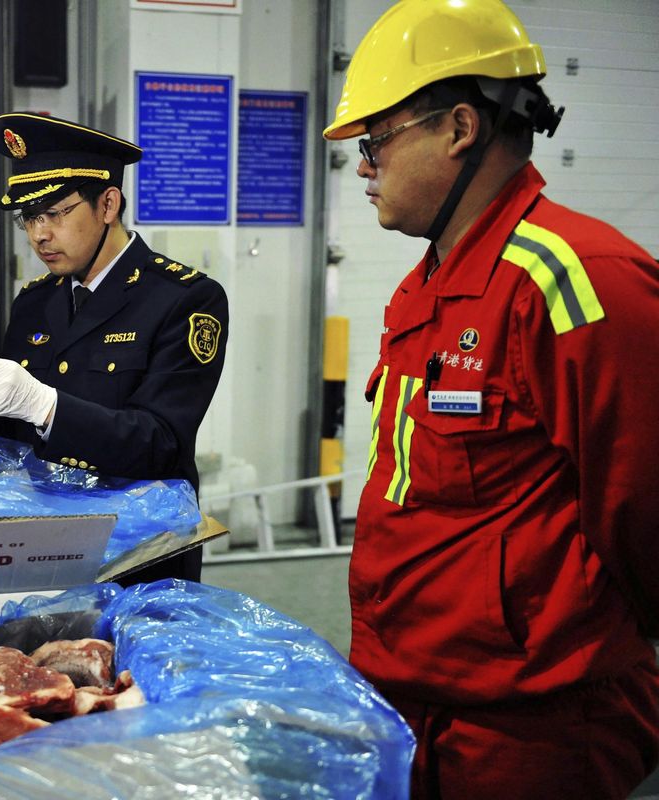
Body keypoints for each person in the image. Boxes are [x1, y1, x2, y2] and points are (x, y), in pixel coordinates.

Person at [323, 1, 659, 797]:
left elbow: (642, 506)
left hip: (532, 727)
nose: (363, 167)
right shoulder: (430, 284)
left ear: (460, 127)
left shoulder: (577, 280)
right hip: (417, 696)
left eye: (375, 142)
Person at [0, 112, 229, 583]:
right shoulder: (36, 302)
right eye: (29, 217)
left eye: (56, 213)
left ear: (108, 203)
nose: (39, 234)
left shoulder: (184, 298)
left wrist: (46, 404)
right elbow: (15, 432)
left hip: (142, 556)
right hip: (45, 546)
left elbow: (161, 443)